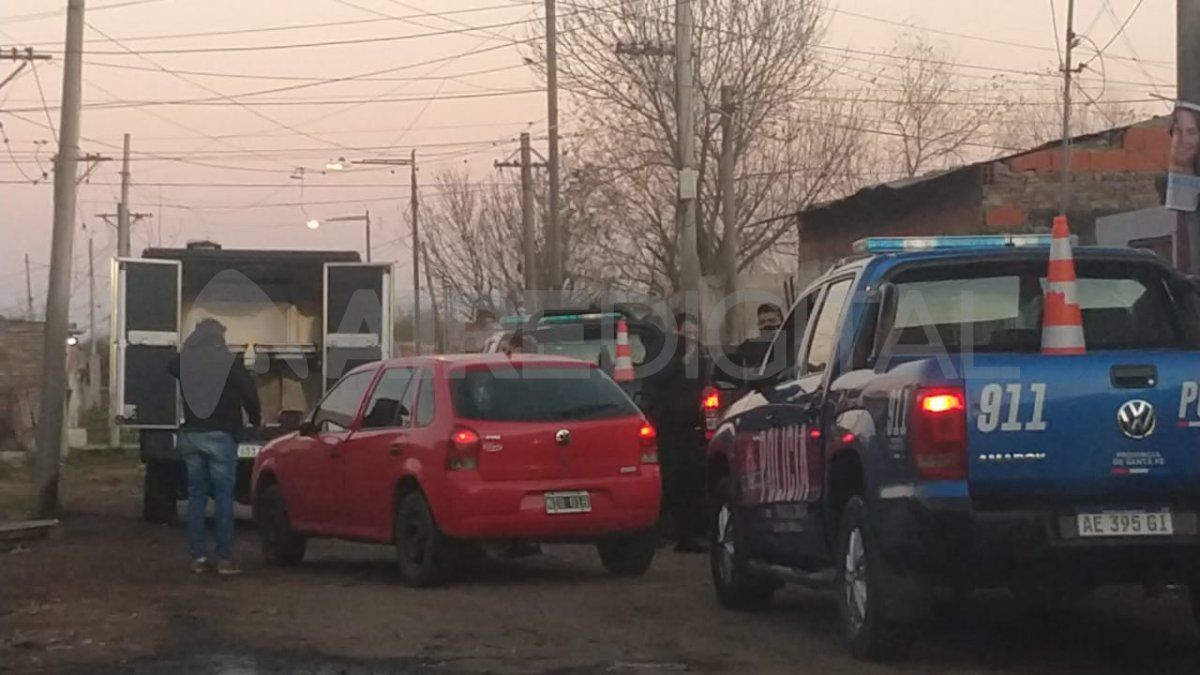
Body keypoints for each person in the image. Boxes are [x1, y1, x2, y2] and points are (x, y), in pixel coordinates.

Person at [168, 318, 261, 575]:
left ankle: (198, 557)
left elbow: (171, 364)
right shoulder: (230, 362)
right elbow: (249, 394)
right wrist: (255, 421)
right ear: (220, 337)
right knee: (223, 497)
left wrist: (191, 344)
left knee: (196, 497)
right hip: (222, 434)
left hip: (193, 434)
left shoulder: (185, 361)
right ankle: (224, 559)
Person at [643, 312, 708, 553]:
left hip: (690, 425)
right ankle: (657, 532)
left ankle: (688, 536)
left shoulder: (698, 354)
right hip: (667, 426)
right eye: (687, 331)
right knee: (669, 480)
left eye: (695, 332)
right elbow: (655, 376)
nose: (691, 336)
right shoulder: (664, 350)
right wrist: (681, 362)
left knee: (691, 481)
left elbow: (702, 382)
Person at [735, 303, 784, 370]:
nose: (767, 325)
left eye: (772, 321)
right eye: (762, 322)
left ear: (781, 322)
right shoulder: (748, 348)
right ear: (758, 325)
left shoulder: (793, 344)